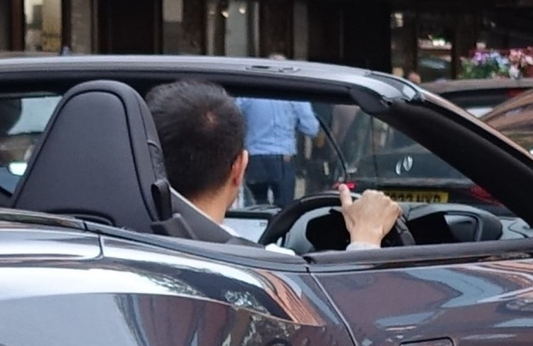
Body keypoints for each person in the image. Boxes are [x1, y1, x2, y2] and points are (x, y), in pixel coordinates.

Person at [147, 80, 399, 246]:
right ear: (237, 168)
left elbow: (233, 111)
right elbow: (311, 128)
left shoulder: (121, 242)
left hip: (258, 161)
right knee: (282, 208)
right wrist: (365, 239)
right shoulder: (273, 266)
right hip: (282, 161)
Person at [234, 93, 318, 210]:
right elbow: (312, 128)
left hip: (255, 158)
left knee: (255, 207)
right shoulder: (295, 95)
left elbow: (232, 119)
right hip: (283, 159)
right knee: (285, 211)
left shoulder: (248, 94)